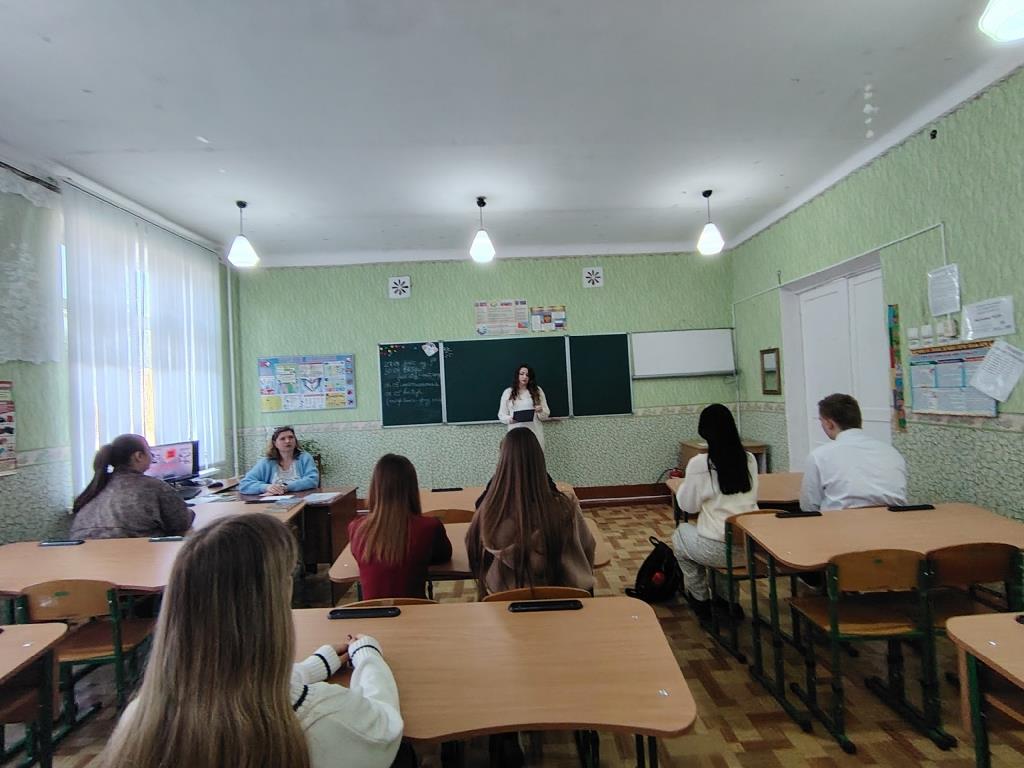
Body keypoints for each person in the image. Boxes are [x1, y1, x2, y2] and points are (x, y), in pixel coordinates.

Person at [101, 514, 404, 768]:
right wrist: (368, 655)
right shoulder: (323, 718)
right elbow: (385, 727)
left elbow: (236, 682)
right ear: (273, 604)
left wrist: (313, 666)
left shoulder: (139, 719)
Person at [467, 428, 595, 597]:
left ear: (502, 463)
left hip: (505, 602)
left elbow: (476, 559)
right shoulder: (565, 507)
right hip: (564, 600)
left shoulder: (489, 513)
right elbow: (588, 547)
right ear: (540, 462)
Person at [671, 404, 759, 620]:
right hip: (753, 547)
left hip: (717, 549)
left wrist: (683, 486)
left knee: (680, 535)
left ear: (704, 431)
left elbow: (688, 506)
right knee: (724, 542)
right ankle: (729, 601)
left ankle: (700, 599)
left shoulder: (700, 463)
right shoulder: (749, 459)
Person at [349, 454, 453, 600]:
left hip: (372, 613)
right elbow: (443, 556)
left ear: (375, 488)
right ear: (412, 489)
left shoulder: (356, 528)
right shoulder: (429, 527)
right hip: (416, 612)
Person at [71, 433, 194, 539]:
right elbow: (181, 523)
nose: (152, 456)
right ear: (139, 456)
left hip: (84, 556)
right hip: (133, 555)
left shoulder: (96, 488)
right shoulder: (155, 487)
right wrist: (190, 512)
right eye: (149, 452)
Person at [800, 393, 907, 511]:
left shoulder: (819, 456)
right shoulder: (892, 452)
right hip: (895, 521)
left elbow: (809, 507)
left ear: (829, 424)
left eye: (821, 421)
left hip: (840, 521)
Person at [239, 425, 320, 495]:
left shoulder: (305, 457)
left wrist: (286, 487)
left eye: (291, 437)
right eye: (282, 439)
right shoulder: (266, 462)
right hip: (273, 501)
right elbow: (244, 484)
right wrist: (266, 487)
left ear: (295, 441)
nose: (287, 441)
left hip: (302, 499)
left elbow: (312, 480)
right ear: (275, 444)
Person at [496, 363, 550, 449]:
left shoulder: (537, 391)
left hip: (534, 433)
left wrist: (540, 411)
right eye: (522, 374)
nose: (524, 377)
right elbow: (501, 415)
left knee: (535, 457)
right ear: (517, 375)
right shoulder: (508, 392)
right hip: (515, 435)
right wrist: (510, 419)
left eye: (527, 375)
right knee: (517, 456)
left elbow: (545, 414)